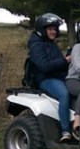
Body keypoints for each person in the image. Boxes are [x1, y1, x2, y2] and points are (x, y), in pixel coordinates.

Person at [28, 12, 73, 142]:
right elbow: (45, 66)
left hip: (59, 77)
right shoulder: (36, 45)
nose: (53, 32)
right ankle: (65, 131)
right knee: (63, 94)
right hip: (45, 79)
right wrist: (66, 60)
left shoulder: (50, 43)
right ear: (43, 30)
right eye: (50, 29)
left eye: (54, 29)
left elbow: (59, 63)